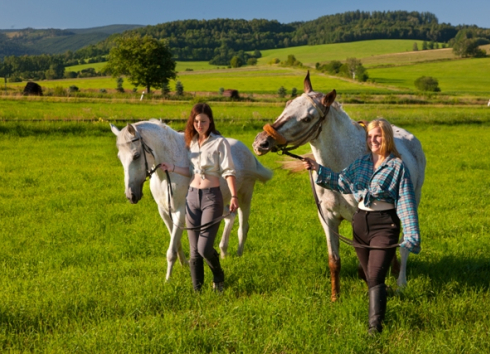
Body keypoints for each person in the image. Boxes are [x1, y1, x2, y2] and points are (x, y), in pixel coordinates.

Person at [302, 118, 421, 334]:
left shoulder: (397, 166)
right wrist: (317, 168)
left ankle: (374, 329)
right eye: (370, 137)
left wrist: (411, 234)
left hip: (385, 224)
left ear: (387, 138)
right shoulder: (361, 163)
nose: (373, 140)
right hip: (360, 225)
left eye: (378, 136)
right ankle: (382, 297)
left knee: (375, 276)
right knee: (369, 276)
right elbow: (340, 181)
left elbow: (406, 201)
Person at [159, 103, 238, 292]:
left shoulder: (220, 142)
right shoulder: (192, 143)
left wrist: (234, 195)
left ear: (210, 121)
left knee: (204, 248)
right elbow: (190, 171)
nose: (199, 124)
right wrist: (172, 168)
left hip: (212, 197)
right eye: (196, 121)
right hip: (192, 197)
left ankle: (218, 274)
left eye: (203, 121)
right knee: (194, 252)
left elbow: (228, 171)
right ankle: (197, 292)